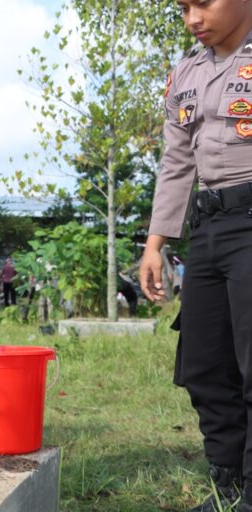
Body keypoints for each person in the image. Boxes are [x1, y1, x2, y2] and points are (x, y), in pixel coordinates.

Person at [139, 1, 252, 510]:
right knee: (205, 362)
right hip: (209, 227)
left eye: (202, 3)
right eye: (182, 7)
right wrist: (156, 242)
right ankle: (225, 480)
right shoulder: (186, 71)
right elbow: (178, 160)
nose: (192, 17)